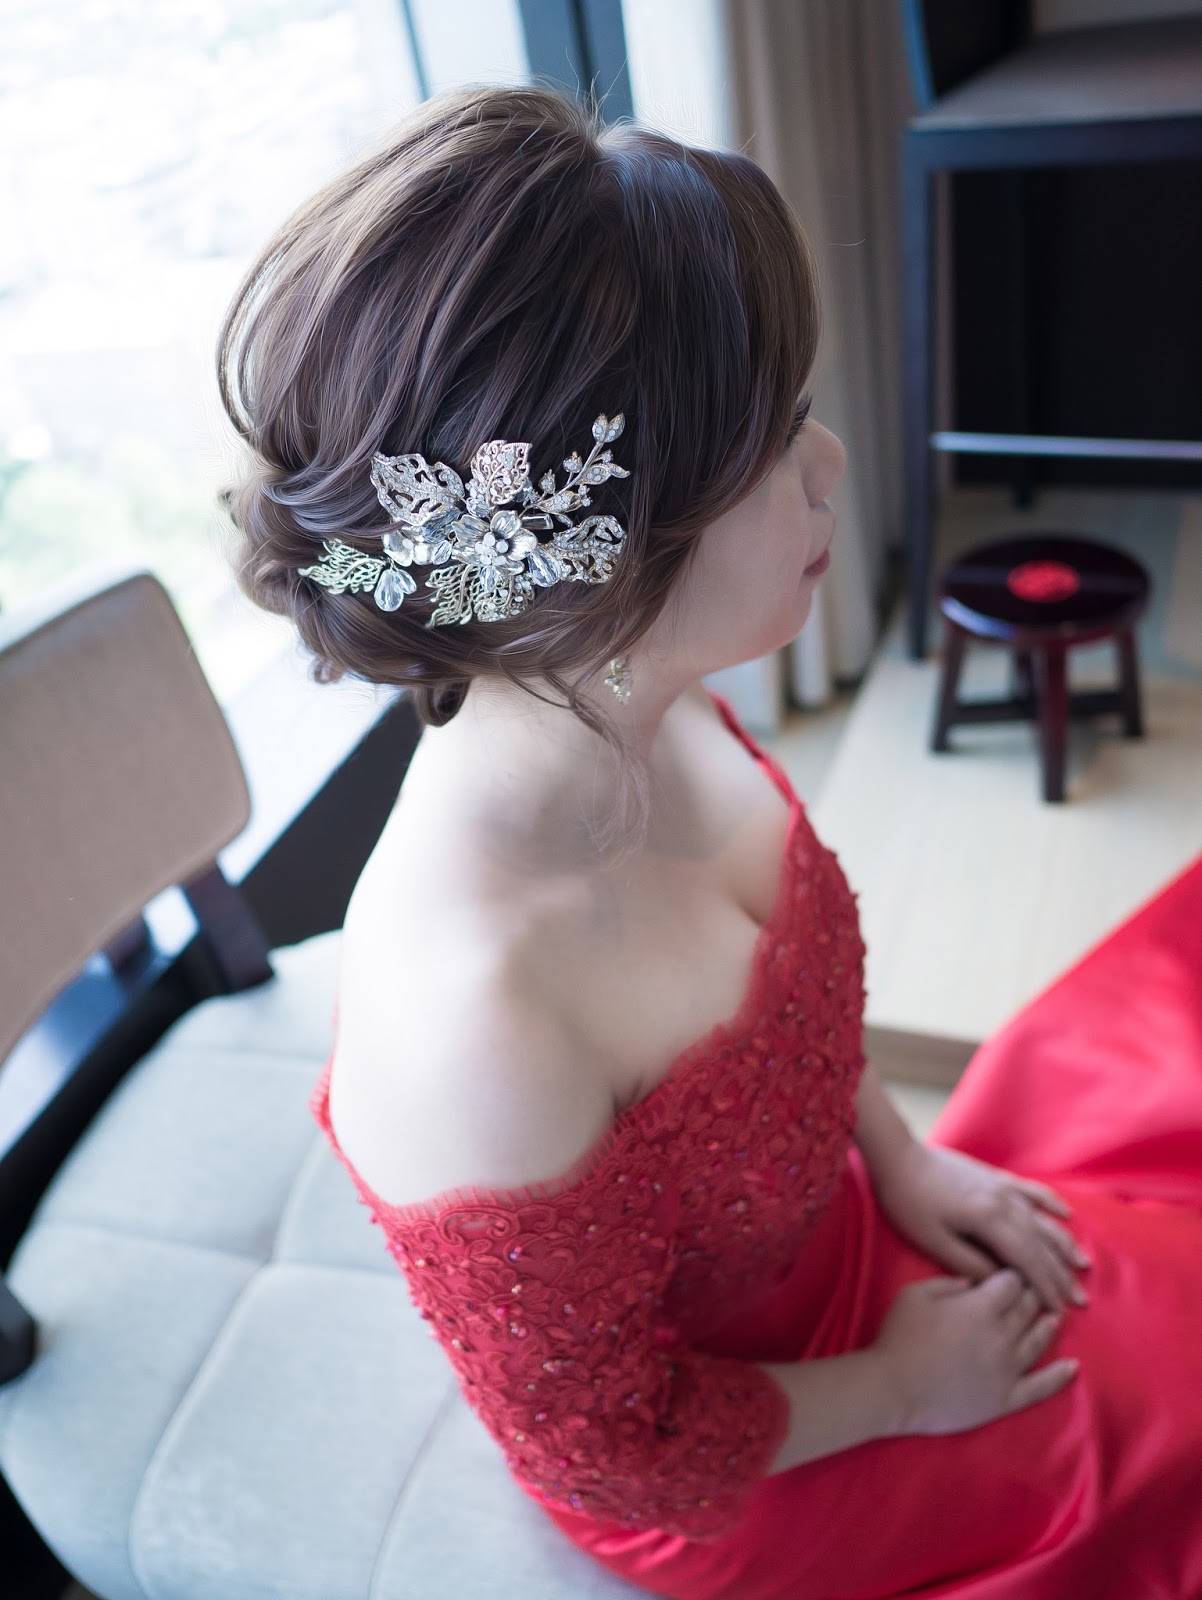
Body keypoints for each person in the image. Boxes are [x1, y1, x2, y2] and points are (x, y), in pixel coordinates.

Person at [216, 81, 1202, 1600]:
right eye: (775, 438)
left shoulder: (640, 698)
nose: (833, 462)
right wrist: (900, 1389)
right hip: (762, 1444)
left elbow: (790, 1035)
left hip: (855, 1235)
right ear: (598, 552)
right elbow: (610, 1451)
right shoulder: (476, 1020)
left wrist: (901, 1157)